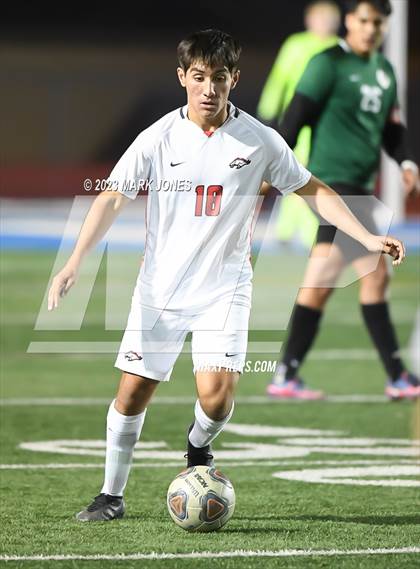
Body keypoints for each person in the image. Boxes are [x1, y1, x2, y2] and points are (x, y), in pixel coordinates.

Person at [48, 28, 405, 522]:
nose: (208, 88)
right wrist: (74, 262)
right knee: (132, 392)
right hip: (161, 289)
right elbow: (111, 196)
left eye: (219, 77)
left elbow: (311, 188)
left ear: (234, 78)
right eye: (198, 77)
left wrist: (365, 238)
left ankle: (197, 449)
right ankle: (111, 495)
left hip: (226, 289)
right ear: (182, 78)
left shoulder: (260, 140)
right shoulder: (158, 138)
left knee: (216, 400)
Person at [266, 0, 420, 401]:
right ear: (350, 20)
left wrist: (405, 160)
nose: (371, 29)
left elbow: (392, 129)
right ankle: (398, 375)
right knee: (373, 275)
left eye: (378, 23)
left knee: (329, 282)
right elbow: (295, 116)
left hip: (360, 186)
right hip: (330, 185)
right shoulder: (327, 63)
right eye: (364, 20)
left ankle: (287, 373)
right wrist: (274, 166)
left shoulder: (384, 71)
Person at [257, 0, 341, 249]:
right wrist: (267, 113)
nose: (324, 24)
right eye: (320, 18)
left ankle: (290, 228)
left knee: (309, 173)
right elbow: (278, 80)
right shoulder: (295, 45)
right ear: (310, 20)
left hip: (326, 124)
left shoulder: (339, 49)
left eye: (329, 20)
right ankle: (299, 231)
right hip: (297, 121)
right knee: (298, 171)